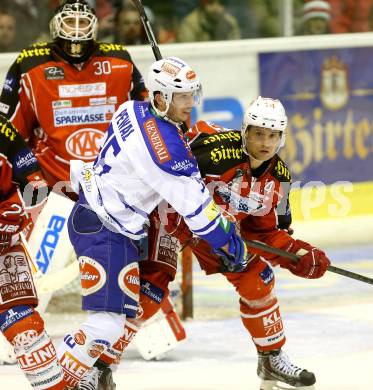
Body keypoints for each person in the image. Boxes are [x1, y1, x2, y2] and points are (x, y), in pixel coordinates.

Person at [95, 96, 331, 390]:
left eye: (272, 135)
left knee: (258, 281)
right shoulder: (212, 153)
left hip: (219, 232)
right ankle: (100, 365)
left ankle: (271, 358)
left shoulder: (280, 179)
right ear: (244, 131)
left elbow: (265, 234)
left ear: (281, 138)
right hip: (170, 218)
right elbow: (165, 176)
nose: (264, 142)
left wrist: (299, 254)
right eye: (258, 133)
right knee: (150, 292)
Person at [56, 56, 251, 388]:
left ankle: (84, 376)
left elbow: (153, 139)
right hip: (105, 227)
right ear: (160, 97)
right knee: (107, 326)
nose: (191, 104)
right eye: (182, 97)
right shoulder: (168, 157)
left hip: (100, 217)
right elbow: (200, 216)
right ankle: (55, 380)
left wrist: (171, 125)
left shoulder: (131, 109)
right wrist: (232, 242)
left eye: (192, 95)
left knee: (115, 322)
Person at [0, 0, 147, 192]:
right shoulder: (29, 64)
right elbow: (11, 133)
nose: (76, 29)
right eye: (70, 21)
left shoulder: (120, 61)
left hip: (114, 186)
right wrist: (31, 183)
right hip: (52, 188)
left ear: (93, 25)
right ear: (56, 25)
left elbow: (145, 121)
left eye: (83, 22)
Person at [0, 114, 69, 389]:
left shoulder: (2, 129)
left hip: (4, 241)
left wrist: (17, 217)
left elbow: (36, 185)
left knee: (24, 328)